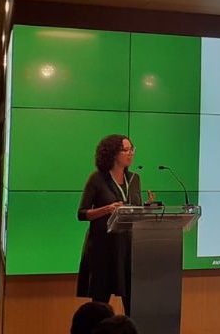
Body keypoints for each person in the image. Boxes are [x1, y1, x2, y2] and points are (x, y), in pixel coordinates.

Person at [76, 134, 146, 316]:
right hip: (103, 249)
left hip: (128, 248)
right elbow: (82, 214)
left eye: (132, 149)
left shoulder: (135, 179)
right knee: (100, 306)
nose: (130, 153)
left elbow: (137, 210)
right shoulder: (97, 179)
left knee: (132, 305)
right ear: (113, 153)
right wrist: (107, 209)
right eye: (126, 150)